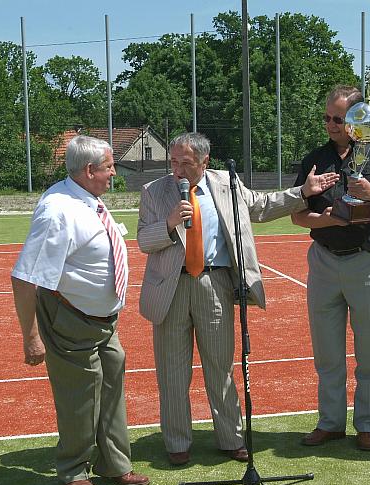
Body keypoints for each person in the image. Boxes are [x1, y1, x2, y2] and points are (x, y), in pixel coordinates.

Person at [137, 132, 339, 466]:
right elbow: (144, 240)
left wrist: (303, 192)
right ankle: (177, 442)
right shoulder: (153, 191)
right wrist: (170, 223)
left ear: (205, 161)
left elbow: (261, 206)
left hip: (214, 283)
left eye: (185, 162)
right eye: (173, 161)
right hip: (170, 288)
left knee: (221, 368)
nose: (177, 169)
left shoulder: (226, 182)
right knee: (172, 373)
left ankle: (231, 438)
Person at [11, 135, 150, 485]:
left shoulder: (87, 199)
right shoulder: (58, 211)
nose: (114, 173)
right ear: (89, 170)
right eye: (109, 166)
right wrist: (31, 337)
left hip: (103, 321)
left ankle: (115, 464)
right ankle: (73, 468)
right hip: (71, 317)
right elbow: (24, 278)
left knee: (111, 386)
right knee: (80, 396)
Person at [292, 85, 370, 451]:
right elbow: (298, 215)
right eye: (327, 118)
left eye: (338, 119)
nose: (331, 124)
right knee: (327, 351)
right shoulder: (315, 159)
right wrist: (328, 220)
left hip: (369, 259)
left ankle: (368, 425)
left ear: (358, 118)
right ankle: (330, 422)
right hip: (324, 260)